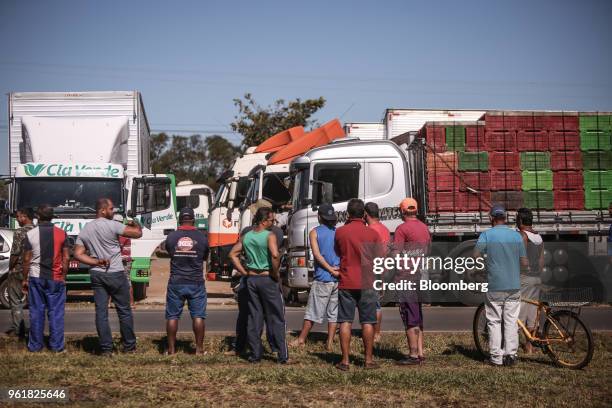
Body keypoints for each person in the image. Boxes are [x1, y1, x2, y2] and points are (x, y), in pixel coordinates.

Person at [73, 198, 142, 356]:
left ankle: (106, 348)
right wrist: (134, 222)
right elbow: (137, 233)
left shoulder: (86, 229)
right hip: (116, 273)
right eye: (111, 209)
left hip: (97, 274)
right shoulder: (113, 225)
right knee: (124, 310)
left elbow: (78, 254)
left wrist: (95, 261)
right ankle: (129, 347)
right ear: (102, 210)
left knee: (101, 312)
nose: (113, 211)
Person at [228, 207, 289, 364]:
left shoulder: (247, 236)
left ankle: (255, 354)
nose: (273, 223)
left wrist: (244, 272)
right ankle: (282, 355)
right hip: (266, 278)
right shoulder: (270, 236)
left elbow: (232, 254)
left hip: (252, 279)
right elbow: (275, 255)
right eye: (271, 220)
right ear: (263, 221)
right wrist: (275, 273)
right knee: (276, 316)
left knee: (254, 316)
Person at [474, 204, 528, 367]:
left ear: (491, 218)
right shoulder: (516, 236)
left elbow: (476, 255)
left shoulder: (487, 235)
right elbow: (524, 262)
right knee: (511, 321)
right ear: (505, 218)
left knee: (494, 321)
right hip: (513, 285)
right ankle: (510, 355)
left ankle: (496, 358)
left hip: (495, 285)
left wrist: (483, 267)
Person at [334, 198, 382, 371]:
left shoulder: (340, 232)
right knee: (368, 322)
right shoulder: (373, 234)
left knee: (345, 321)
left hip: (346, 281)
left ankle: (345, 361)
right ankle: (368, 360)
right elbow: (378, 258)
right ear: (364, 214)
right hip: (367, 281)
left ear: (347, 213)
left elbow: (338, 252)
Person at [292, 204, 340, 351]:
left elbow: (317, 255)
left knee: (312, 311)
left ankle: (301, 339)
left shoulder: (314, 232)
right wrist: (336, 269)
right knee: (334, 313)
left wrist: (329, 269)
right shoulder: (338, 232)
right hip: (338, 277)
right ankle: (330, 342)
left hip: (323, 277)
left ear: (320, 217)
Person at [21, 205, 69, 352]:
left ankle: (35, 346)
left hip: (36, 277)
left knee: (36, 312)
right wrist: (64, 277)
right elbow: (66, 258)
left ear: (38, 216)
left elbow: (26, 260)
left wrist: (24, 279)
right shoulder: (62, 234)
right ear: (52, 216)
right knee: (56, 313)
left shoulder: (31, 234)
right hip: (56, 278)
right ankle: (57, 346)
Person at [163, 207, 209, 355]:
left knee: (172, 316)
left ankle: (171, 350)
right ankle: (199, 350)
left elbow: (170, 253)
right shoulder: (202, 237)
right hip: (196, 282)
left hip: (176, 281)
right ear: (193, 219)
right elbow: (204, 257)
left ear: (180, 219)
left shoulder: (171, 237)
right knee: (198, 316)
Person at [393, 198, 431, 365]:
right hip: (420, 275)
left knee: (410, 315)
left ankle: (413, 355)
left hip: (406, 276)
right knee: (418, 314)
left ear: (402, 212)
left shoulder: (402, 229)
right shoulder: (424, 227)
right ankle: (421, 352)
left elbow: (396, 255)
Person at [516, 208, 544, 354]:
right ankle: (529, 346)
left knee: (519, 311)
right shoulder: (538, 236)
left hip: (524, 278)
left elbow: (522, 260)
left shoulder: (522, 236)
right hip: (536, 278)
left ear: (520, 220)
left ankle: (511, 347)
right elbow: (541, 262)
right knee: (533, 312)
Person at [6, 208, 35, 338]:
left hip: (19, 270)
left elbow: (15, 254)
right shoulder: (38, 231)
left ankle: (18, 330)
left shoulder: (20, 232)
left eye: (18, 217)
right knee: (35, 302)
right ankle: (35, 330)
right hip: (35, 271)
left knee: (16, 301)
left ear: (24, 217)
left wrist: (10, 268)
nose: (17, 219)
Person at [365, 202, 390, 343]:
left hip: (372, 270)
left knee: (372, 304)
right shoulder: (385, 229)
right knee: (377, 303)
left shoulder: (371, 230)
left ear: (366, 214)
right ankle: (377, 333)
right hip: (382, 269)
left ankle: (374, 333)